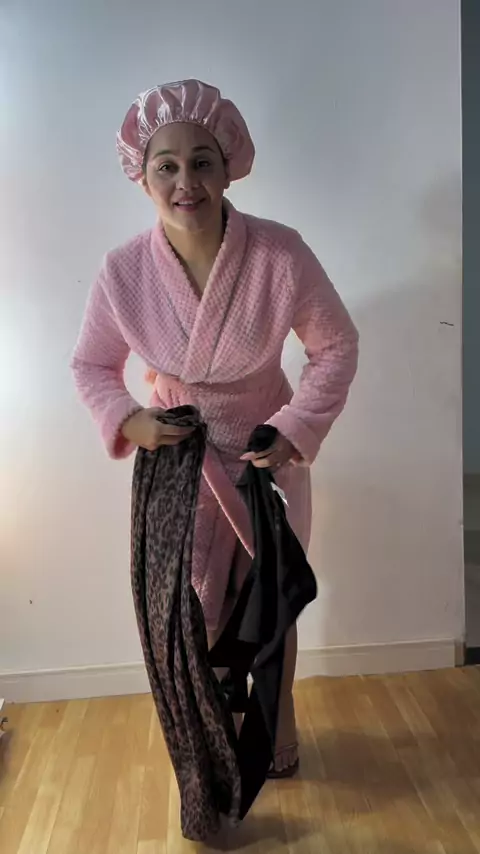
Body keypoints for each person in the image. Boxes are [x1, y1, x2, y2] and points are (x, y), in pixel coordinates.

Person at [72, 78, 359, 777]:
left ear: (230, 164)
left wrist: (294, 427)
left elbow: (336, 346)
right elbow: (91, 364)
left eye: (202, 161)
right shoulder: (123, 272)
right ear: (141, 176)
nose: (186, 182)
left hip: (265, 458)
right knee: (191, 610)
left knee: (269, 603)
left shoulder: (280, 254)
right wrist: (129, 418)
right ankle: (213, 741)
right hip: (181, 465)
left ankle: (276, 731)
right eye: (166, 165)